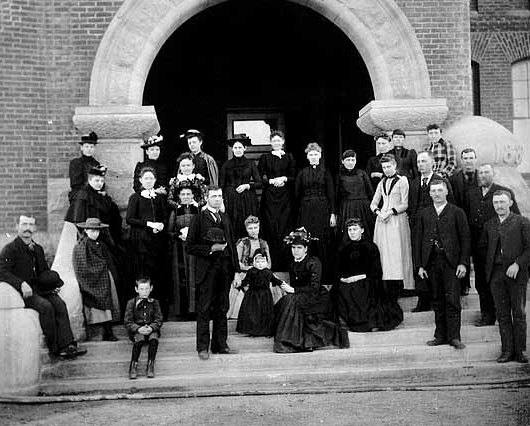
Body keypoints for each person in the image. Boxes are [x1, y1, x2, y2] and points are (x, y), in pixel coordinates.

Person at [0, 215, 87, 358]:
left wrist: (53, 284)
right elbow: (2, 271)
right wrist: (20, 283)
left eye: (30, 225)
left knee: (59, 304)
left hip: (40, 290)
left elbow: (43, 271)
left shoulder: (38, 249)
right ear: (17, 227)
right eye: (24, 224)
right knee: (45, 307)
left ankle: (68, 345)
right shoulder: (10, 249)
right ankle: (55, 349)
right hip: (22, 294)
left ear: (34, 228)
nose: (27, 228)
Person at [273, 228, 349, 353]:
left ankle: (293, 340)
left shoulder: (314, 262)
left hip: (317, 296)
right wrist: (289, 289)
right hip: (300, 295)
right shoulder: (292, 264)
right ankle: (289, 339)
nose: (295, 251)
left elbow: (314, 287)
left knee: (293, 302)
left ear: (306, 249)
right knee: (288, 301)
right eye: (293, 248)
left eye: (299, 248)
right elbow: (295, 286)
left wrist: (293, 290)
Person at [415, 179, 470, 350]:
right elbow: (417, 241)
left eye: (440, 190)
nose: (437, 194)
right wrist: (420, 265)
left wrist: (463, 263)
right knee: (437, 300)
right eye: (433, 191)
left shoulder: (457, 212)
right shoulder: (424, 213)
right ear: (429, 193)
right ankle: (440, 335)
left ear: (446, 192)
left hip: (451, 263)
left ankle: (454, 337)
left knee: (452, 300)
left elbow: (465, 239)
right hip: (431, 262)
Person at [186, 186, 240, 360]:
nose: (217, 199)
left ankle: (220, 345)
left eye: (220, 196)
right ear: (206, 198)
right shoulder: (198, 219)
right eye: (214, 196)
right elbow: (190, 246)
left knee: (222, 307)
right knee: (204, 309)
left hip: (225, 270)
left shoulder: (225, 217)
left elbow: (232, 245)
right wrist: (210, 249)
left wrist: (237, 271)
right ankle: (203, 347)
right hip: (207, 271)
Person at [479, 190, 529, 363]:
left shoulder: (522, 222)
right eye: (496, 203)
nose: (499, 206)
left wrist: (518, 264)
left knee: (519, 313)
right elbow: (483, 249)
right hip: (496, 275)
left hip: (516, 274)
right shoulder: (489, 225)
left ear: (510, 203)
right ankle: (507, 350)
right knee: (502, 314)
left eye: (502, 202)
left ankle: (520, 351)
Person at [467, 163, 520, 326]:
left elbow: (515, 218)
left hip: (498, 247)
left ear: (493, 174)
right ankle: (487, 315)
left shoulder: (503, 192)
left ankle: (502, 314)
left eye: (486, 172)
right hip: (479, 246)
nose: (483, 175)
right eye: (481, 173)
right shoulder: (472, 193)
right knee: (481, 282)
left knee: (498, 282)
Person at [332, 218, 403, 332]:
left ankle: (368, 322)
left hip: (366, 280)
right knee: (343, 292)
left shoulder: (371, 247)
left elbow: (376, 271)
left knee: (364, 292)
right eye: (349, 230)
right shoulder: (343, 248)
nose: (352, 232)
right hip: (347, 282)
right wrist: (343, 279)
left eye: (355, 229)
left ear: (362, 230)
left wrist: (358, 277)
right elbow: (337, 269)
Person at [407, 151, 454, 311]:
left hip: (437, 227)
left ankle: (437, 298)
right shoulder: (413, 183)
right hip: (418, 227)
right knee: (419, 259)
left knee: (434, 262)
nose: (421, 164)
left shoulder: (440, 181)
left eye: (424, 161)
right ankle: (423, 299)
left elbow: (450, 205)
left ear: (432, 163)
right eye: (419, 162)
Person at [126, 167, 169, 317]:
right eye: (146, 179)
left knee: (158, 274)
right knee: (143, 274)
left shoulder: (159, 198)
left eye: (151, 178)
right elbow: (130, 219)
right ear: (140, 180)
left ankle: (158, 310)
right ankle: (142, 311)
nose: (149, 181)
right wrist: (149, 224)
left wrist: (161, 225)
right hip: (141, 242)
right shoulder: (135, 197)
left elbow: (164, 216)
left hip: (157, 242)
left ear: (155, 180)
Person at [370, 154, 414, 294]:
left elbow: (405, 204)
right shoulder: (381, 182)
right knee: (384, 251)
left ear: (395, 166)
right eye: (384, 167)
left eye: (389, 166)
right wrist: (379, 212)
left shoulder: (402, 181)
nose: (387, 169)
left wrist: (389, 212)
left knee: (398, 250)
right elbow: (373, 203)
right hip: (382, 221)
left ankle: (403, 286)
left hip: (397, 219)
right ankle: (387, 285)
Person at [72, 218, 120, 341]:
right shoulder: (81, 246)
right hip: (93, 279)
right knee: (98, 304)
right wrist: (99, 268)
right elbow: (81, 265)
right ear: (86, 230)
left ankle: (108, 330)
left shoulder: (101, 244)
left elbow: (107, 260)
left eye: (97, 231)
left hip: (104, 277)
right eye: (92, 231)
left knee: (108, 302)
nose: (95, 233)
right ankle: (101, 332)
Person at [295, 142, 336, 282]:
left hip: (322, 209)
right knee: (308, 238)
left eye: (316, 154)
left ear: (320, 155)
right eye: (310, 154)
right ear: (307, 156)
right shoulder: (302, 173)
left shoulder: (325, 172)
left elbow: (331, 194)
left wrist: (332, 213)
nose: (313, 157)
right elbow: (297, 193)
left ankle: (324, 276)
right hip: (306, 210)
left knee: (322, 239)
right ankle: (308, 275)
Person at [258, 130, 296, 270]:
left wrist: (284, 178)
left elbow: (293, 176)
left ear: (283, 142)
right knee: (270, 226)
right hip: (269, 197)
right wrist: (271, 180)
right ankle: (270, 263)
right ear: (271, 142)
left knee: (284, 226)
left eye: (279, 140)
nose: (277, 143)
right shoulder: (265, 157)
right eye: (274, 141)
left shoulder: (289, 157)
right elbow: (260, 176)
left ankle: (285, 263)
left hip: (285, 197)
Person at [227, 215, 278, 319]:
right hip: (246, 272)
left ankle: (272, 315)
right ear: (246, 229)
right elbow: (237, 262)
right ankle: (228, 314)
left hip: (262, 272)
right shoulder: (242, 243)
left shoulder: (263, 243)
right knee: (236, 287)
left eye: (255, 228)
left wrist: (261, 268)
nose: (253, 231)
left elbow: (269, 264)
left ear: (259, 227)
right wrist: (251, 268)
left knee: (274, 286)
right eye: (250, 228)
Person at [65, 165, 123, 249]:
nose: (100, 183)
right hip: (89, 238)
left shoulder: (101, 195)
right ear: (89, 180)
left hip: (103, 236)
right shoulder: (83, 195)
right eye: (97, 180)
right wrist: (89, 236)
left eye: (102, 181)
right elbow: (78, 220)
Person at [220, 134, 262, 238]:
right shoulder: (226, 165)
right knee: (233, 226)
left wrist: (248, 186)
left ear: (245, 148)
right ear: (232, 149)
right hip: (231, 200)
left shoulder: (250, 164)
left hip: (247, 200)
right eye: (235, 148)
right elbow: (222, 185)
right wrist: (222, 202)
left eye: (240, 147)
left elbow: (259, 183)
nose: (237, 150)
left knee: (248, 225)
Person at [449, 148, 479, 295]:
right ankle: (463, 285)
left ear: (475, 159)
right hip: (462, 222)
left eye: (471, 158)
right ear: (461, 160)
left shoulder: (482, 176)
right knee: (462, 254)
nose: (468, 161)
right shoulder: (455, 178)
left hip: (479, 224)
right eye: (465, 158)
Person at [167, 181, 199, 316]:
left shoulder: (198, 210)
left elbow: (202, 228)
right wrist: (178, 235)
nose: (186, 196)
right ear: (179, 196)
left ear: (192, 196)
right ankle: (182, 310)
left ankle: (195, 309)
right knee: (181, 276)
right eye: (183, 194)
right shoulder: (175, 211)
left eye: (188, 194)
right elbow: (169, 230)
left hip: (194, 249)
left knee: (195, 276)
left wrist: (192, 235)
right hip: (179, 248)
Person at [236, 250, 284, 337]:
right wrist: (239, 285)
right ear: (254, 262)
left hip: (265, 296)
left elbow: (275, 280)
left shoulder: (268, 272)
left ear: (266, 262)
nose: (260, 264)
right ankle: (253, 331)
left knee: (265, 313)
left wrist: (282, 284)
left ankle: (265, 331)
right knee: (252, 313)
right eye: (257, 261)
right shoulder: (251, 271)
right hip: (252, 295)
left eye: (262, 261)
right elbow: (245, 281)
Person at [124, 276, 163, 379]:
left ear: (151, 288)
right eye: (141, 289)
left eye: (147, 289)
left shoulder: (155, 303)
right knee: (139, 340)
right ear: (136, 289)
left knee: (154, 339)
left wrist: (152, 327)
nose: (144, 292)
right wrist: (137, 328)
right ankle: (133, 366)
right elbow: (127, 321)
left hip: (151, 328)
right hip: (138, 329)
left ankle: (150, 365)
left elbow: (159, 319)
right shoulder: (131, 303)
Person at [335, 149, 374, 240]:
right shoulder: (339, 176)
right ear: (343, 161)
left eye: (353, 160)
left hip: (363, 207)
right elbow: (337, 196)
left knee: (366, 232)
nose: (350, 162)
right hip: (347, 207)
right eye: (348, 160)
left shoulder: (362, 173)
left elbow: (370, 192)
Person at [68, 131, 100, 203]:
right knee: (84, 199)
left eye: (91, 147)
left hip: (94, 193)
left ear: (94, 149)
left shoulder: (96, 164)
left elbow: (100, 181)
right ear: (82, 148)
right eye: (86, 146)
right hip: (79, 194)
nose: (89, 149)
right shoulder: (76, 163)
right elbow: (75, 184)